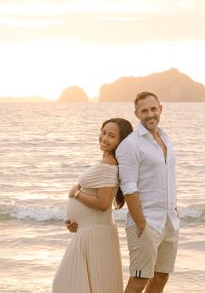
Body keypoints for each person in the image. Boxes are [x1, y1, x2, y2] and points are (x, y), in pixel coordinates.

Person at [53, 118, 134, 293]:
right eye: (103, 132)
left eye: (111, 136)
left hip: (94, 232)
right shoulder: (106, 162)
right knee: (79, 284)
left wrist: (75, 194)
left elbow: (103, 204)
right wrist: (74, 221)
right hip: (88, 230)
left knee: (66, 282)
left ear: (121, 142)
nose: (104, 138)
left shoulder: (109, 164)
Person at [116, 91, 179, 293]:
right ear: (136, 114)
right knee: (138, 281)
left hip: (169, 221)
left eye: (153, 109)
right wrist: (142, 224)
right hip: (146, 223)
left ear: (161, 109)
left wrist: (175, 211)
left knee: (161, 277)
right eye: (144, 111)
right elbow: (129, 187)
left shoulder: (166, 138)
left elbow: (168, 179)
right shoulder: (130, 145)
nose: (150, 114)